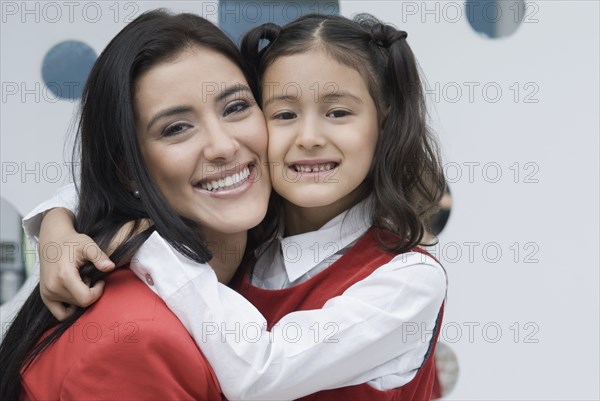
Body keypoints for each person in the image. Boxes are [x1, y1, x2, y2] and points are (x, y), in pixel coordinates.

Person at [16, 13, 448, 401]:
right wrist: (60, 226)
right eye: (283, 114)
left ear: (386, 120)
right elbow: (118, 180)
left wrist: (148, 244)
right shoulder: (256, 232)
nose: (310, 137)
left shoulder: (408, 280)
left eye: (338, 112)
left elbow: (260, 373)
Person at [0, 9, 271, 400]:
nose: (224, 145)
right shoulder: (135, 340)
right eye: (177, 128)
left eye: (236, 107)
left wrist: (55, 221)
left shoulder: (260, 266)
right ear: (128, 170)